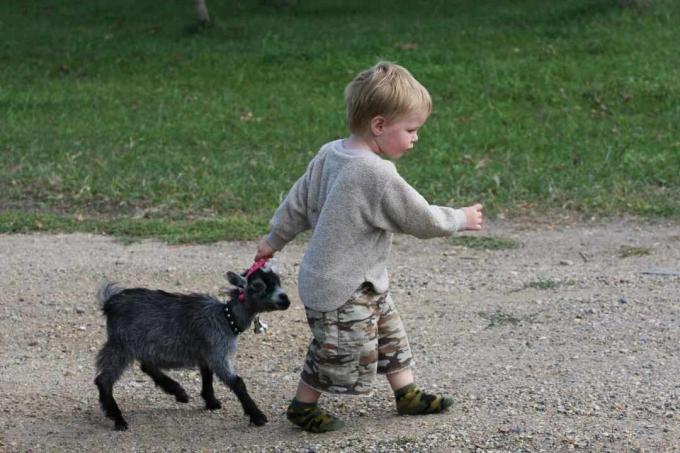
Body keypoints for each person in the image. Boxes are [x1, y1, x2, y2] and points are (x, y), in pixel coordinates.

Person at [254, 61, 483, 433]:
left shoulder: (331, 152)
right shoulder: (375, 173)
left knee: (390, 333)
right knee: (338, 347)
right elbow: (420, 218)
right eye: (410, 129)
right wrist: (460, 218)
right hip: (340, 287)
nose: (415, 138)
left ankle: (406, 393)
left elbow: (297, 200)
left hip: (361, 280)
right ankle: (302, 406)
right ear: (379, 125)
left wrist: (273, 240)